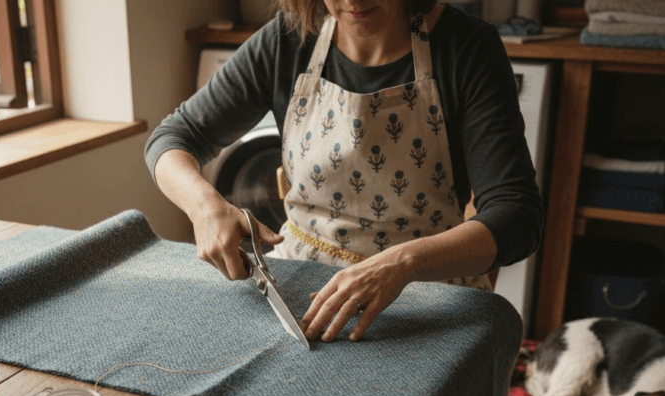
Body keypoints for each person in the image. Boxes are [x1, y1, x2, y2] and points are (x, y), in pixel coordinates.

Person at [145, 0, 543, 343]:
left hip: (423, 297)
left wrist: (400, 264)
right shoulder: (289, 38)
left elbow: (516, 214)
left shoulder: (466, 48)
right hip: (299, 286)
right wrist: (203, 206)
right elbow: (173, 137)